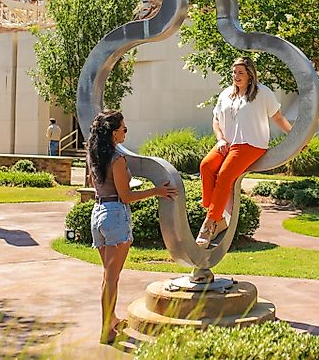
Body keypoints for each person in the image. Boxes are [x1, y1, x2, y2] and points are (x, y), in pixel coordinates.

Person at [87, 110, 178, 344]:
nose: (126, 132)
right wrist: (157, 191)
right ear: (114, 133)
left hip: (98, 213)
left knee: (108, 276)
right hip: (115, 215)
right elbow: (126, 196)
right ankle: (106, 329)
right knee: (112, 278)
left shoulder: (94, 155)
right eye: (124, 129)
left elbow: (93, 182)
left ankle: (112, 319)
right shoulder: (117, 160)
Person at [197, 57, 292, 247]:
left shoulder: (263, 93)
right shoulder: (225, 94)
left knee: (224, 176)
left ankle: (209, 224)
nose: (236, 76)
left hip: (251, 144)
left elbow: (277, 117)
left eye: (240, 72)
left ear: (250, 74)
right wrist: (220, 139)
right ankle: (216, 215)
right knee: (206, 166)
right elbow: (216, 120)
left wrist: (294, 136)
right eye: (234, 72)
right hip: (227, 144)